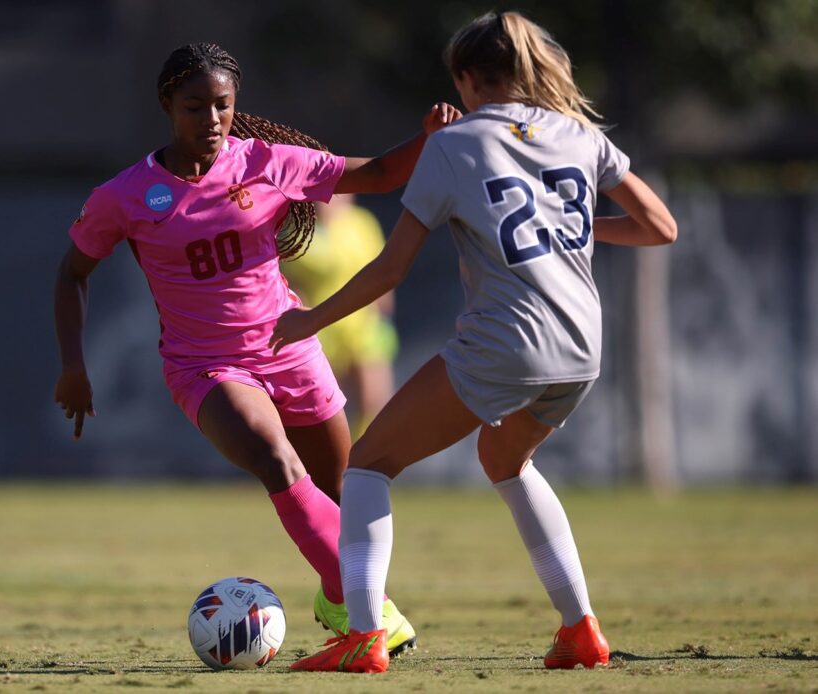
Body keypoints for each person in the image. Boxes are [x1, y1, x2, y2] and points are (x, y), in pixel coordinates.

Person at [274, 11, 677, 673]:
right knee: (506, 460)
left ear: (465, 78)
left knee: (368, 464)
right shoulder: (578, 134)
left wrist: (309, 321)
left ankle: (365, 637)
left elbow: (391, 268)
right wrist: (563, 230)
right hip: (581, 345)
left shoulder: (455, 145)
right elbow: (660, 226)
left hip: (508, 341)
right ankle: (581, 630)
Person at [53, 42, 460, 657]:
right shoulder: (127, 194)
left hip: (289, 346)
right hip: (204, 366)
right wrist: (73, 367)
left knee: (347, 495)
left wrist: (427, 138)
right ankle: (367, 620)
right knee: (276, 461)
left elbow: (374, 175)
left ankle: (337, 596)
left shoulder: (266, 162)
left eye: (222, 105)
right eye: (195, 106)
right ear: (167, 105)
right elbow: (71, 274)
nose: (211, 119)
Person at [281, 194, 399, 437]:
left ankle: (365, 465)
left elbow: (382, 268)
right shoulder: (298, 230)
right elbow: (288, 281)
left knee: (374, 401)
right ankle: (335, 464)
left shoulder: (362, 223)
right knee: (328, 407)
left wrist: (383, 307)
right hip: (320, 327)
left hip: (365, 325)